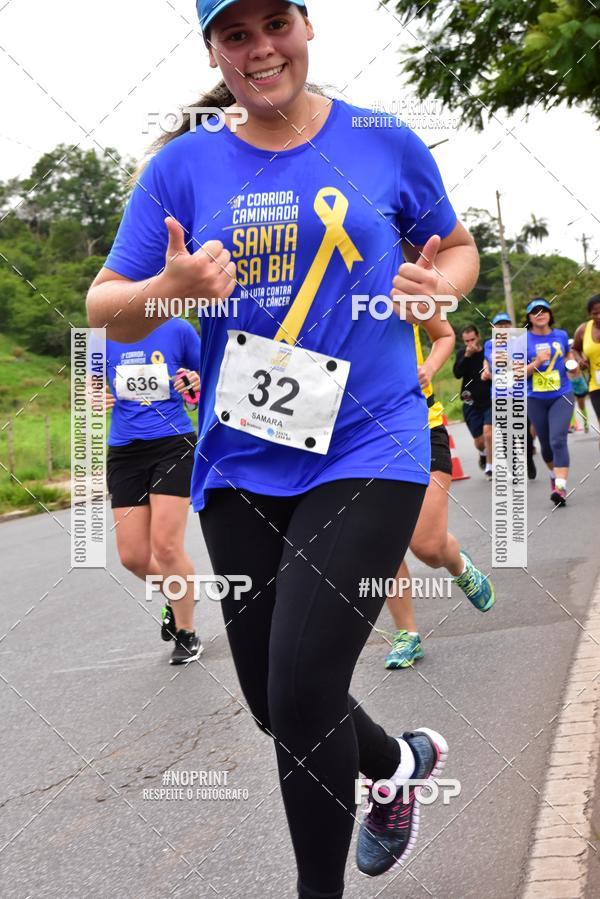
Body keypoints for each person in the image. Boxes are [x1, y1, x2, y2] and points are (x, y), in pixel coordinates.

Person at [86, 1, 480, 893]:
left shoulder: (382, 140)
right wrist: (169, 285)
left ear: (306, 26)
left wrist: (435, 288)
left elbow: (456, 248)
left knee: (303, 687)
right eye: (235, 34)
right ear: (213, 49)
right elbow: (105, 311)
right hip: (240, 458)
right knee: (274, 700)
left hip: (368, 443)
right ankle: (396, 759)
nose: (260, 48)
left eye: (275, 22)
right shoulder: (180, 168)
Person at [384, 324, 495, 670]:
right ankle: (407, 634)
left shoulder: (398, 283)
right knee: (382, 543)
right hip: (358, 442)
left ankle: (458, 564)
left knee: (428, 546)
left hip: (420, 427)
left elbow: (444, 334)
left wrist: (429, 368)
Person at [102, 318, 203, 664]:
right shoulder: (102, 334)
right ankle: (180, 593)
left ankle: (187, 631)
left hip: (173, 445)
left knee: (166, 544)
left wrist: (193, 383)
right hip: (124, 452)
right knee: (132, 556)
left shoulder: (179, 330)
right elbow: (88, 388)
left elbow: (205, 385)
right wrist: (92, 395)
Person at [524, 298, 574, 506]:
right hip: (536, 398)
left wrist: (572, 365)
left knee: (558, 440)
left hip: (561, 394)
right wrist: (536, 362)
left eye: (543, 310)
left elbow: (569, 356)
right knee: (545, 447)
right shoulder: (522, 341)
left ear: (550, 313)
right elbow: (516, 374)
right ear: (528, 317)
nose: (540, 314)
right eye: (534, 311)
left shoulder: (561, 335)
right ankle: (555, 476)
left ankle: (560, 488)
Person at [482, 311, 537, 479]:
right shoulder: (489, 344)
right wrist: (485, 370)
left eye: (506, 325)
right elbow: (487, 360)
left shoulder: (519, 342)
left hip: (519, 392)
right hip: (499, 394)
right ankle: (512, 469)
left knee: (524, 433)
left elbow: (525, 365)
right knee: (506, 434)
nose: (503, 328)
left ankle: (528, 460)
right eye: (500, 325)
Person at [453, 324, 492, 476]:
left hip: (489, 399)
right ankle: (483, 454)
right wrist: (466, 356)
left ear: (478, 337)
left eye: (472, 340)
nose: (470, 344)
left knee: (489, 433)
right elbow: (457, 373)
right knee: (479, 441)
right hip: (470, 401)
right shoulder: (462, 354)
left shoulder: (488, 352)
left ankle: (490, 467)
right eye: (467, 341)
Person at [572, 294, 600, 441]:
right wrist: (579, 360)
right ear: (589, 314)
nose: (599, 316)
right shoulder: (583, 330)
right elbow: (575, 349)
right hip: (596, 386)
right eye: (595, 313)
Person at [565, 342, 589, 433]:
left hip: (579, 382)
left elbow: (580, 367)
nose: (570, 348)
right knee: (570, 404)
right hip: (569, 382)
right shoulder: (563, 357)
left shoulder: (577, 355)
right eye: (569, 346)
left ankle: (585, 423)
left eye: (571, 346)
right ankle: (572, 425)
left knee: (581, 405)